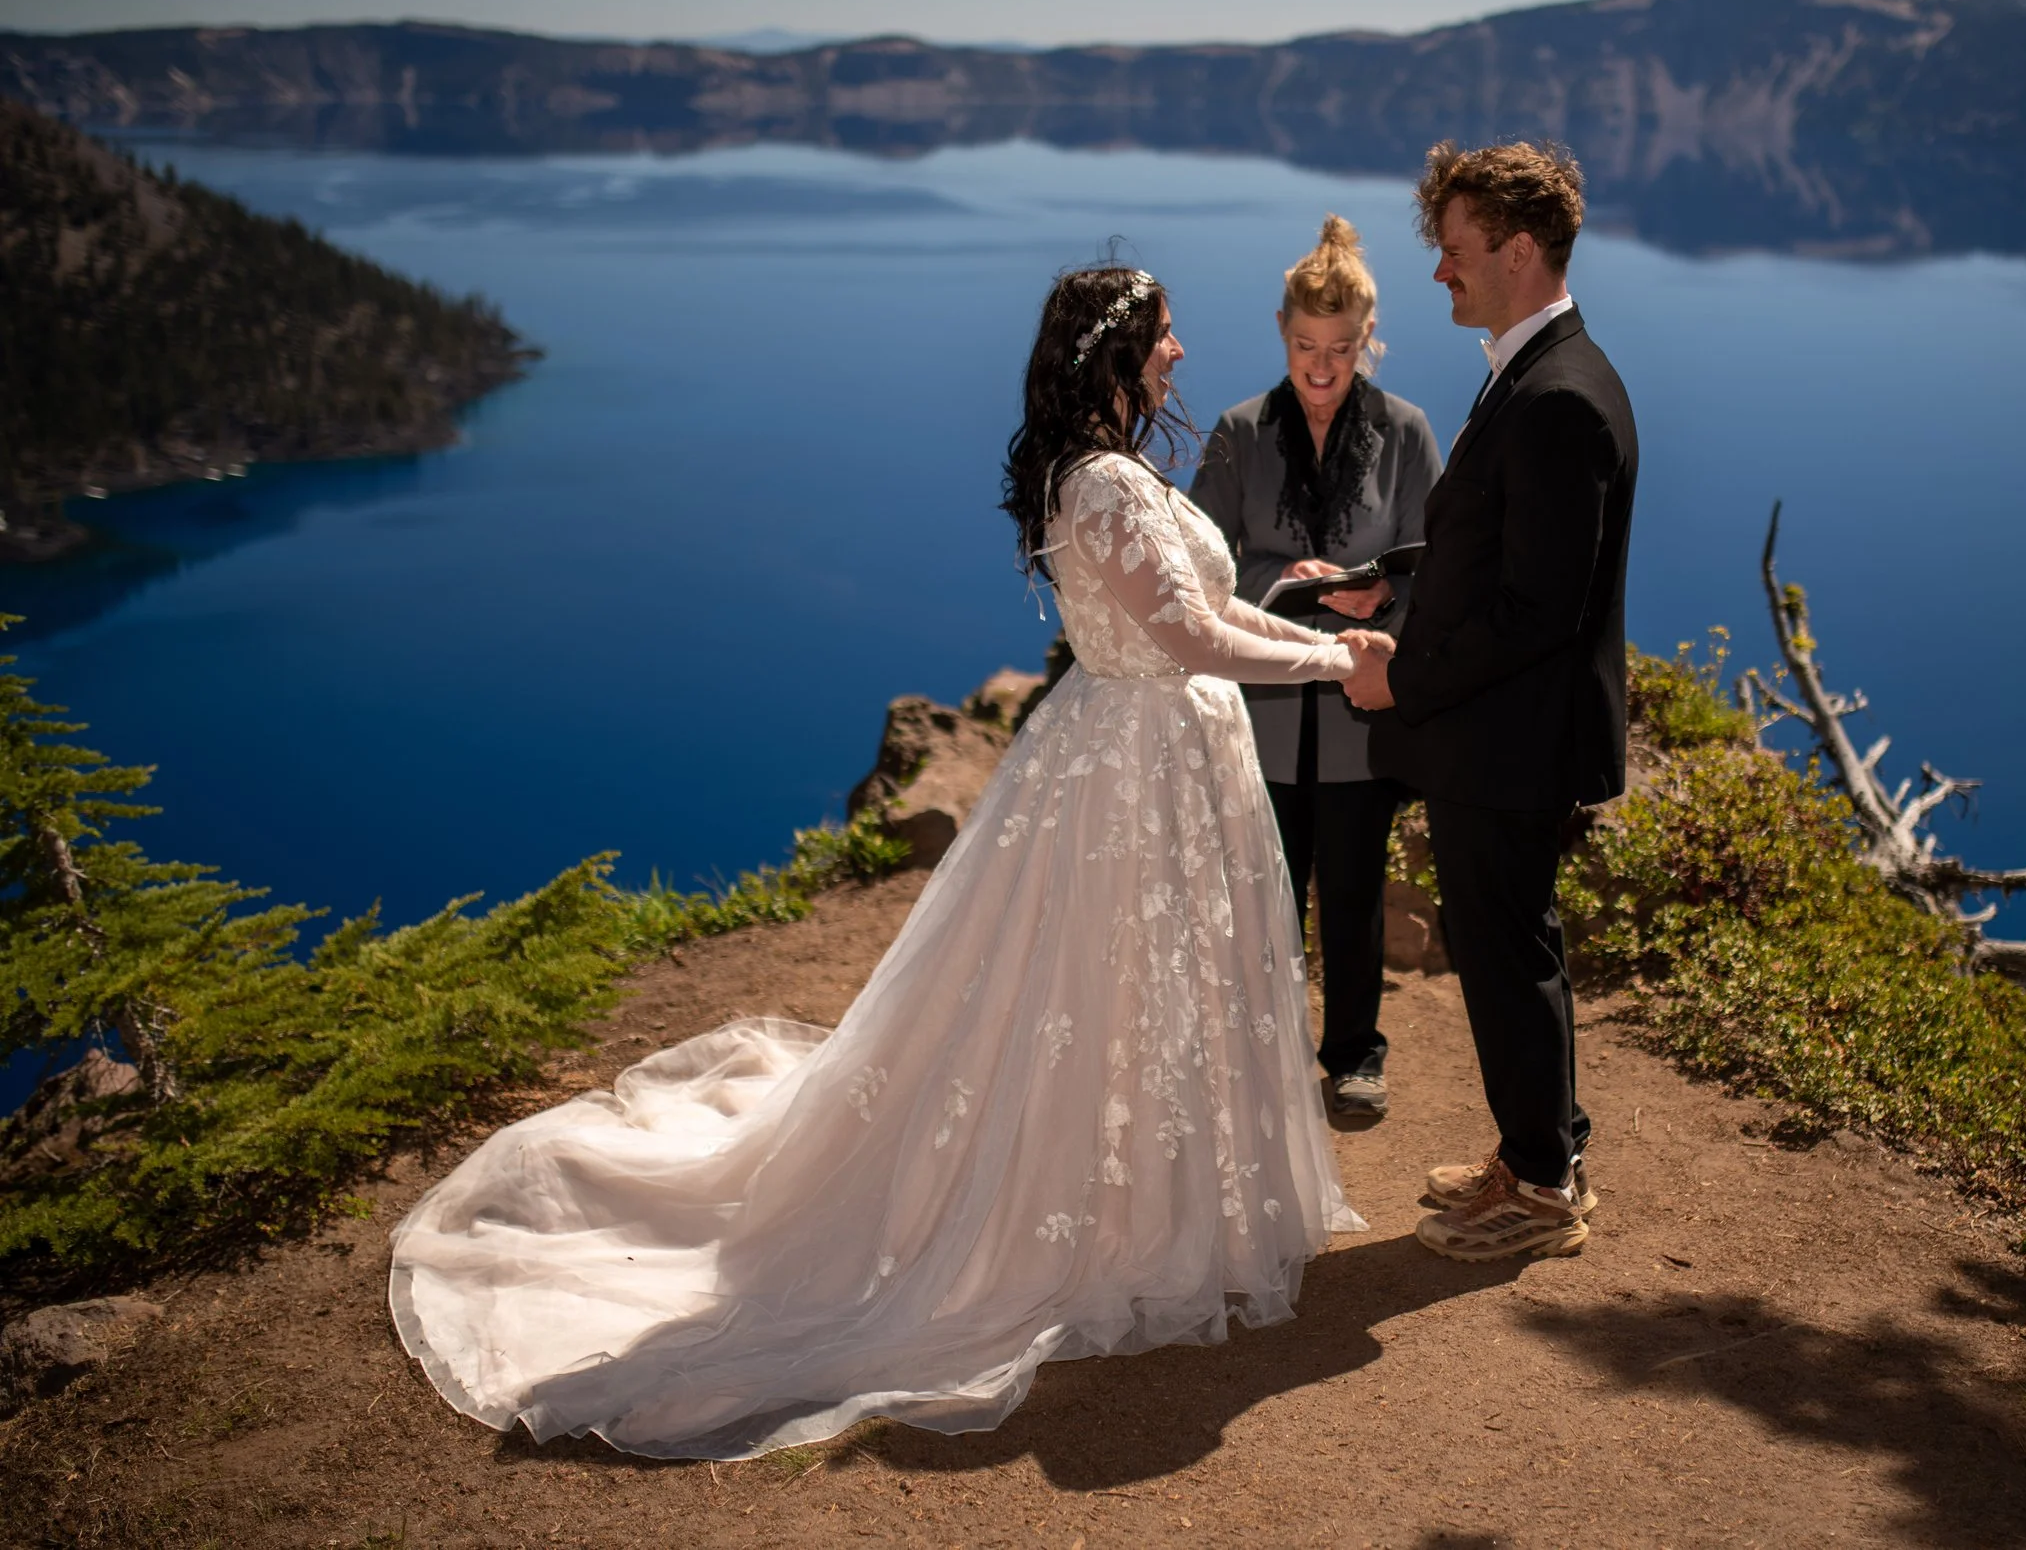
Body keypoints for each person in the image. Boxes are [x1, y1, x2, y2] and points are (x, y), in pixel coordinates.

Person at [389, 266, 1395, 1460]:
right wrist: (1341, 666)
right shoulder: (1104, 482)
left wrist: (1327, 630)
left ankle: (1164, 1213)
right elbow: (1180, 635)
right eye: (1164, 336)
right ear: (1118, 352)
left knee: (1147, 991)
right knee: (1099, 987)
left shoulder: (1115, 474)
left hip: (1166, 762)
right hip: (1134, 772)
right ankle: (1108, 1228)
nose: (1180, 351)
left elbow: (1211, 612)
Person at [1343, 142, 1640, 1263]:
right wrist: (1403, 575)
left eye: (1456, 251)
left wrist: (1399, 675)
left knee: (1509, 948)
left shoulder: (1560, 395)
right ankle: (1535, 1148)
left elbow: (1536, 608)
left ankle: (1544, 1187)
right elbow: (1504, 530)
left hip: (1514, 741)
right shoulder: (1539, 365)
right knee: (1506, 940)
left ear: (1518, 251)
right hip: (1506, 734)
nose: (1439, 274)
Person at [1190, 216, 1440, 1120]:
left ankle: (1354, 1055)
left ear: (1366, 340)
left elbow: (1437, 564)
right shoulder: (1238, 433)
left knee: (1354, 891)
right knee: (1263, 894)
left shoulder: (1408, 432)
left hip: (1358, 712)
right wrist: (1279, 580)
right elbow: (1197, 569)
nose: (1323, 367)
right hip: (1256, 715)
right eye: (1305, 347)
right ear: (1283, 335)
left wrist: (1381, 601)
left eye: (1340, 348)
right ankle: (1264, 1055)